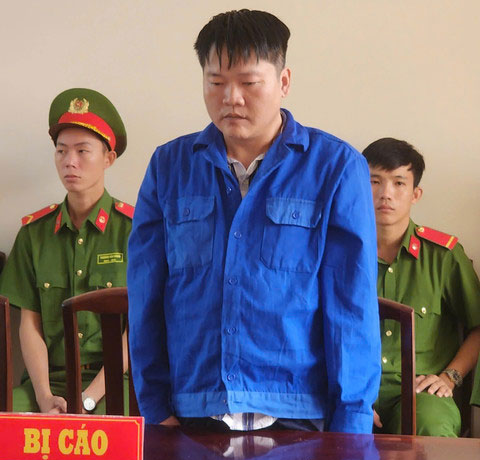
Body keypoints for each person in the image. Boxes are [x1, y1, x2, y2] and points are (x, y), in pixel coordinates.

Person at [128, 9, 380, 433]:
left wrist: (350, 428)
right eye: (216, 83)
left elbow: (351, 308)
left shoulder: (335, 168)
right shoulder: (169, 167)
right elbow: (146, 295)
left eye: (248, 83)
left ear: (283, 82)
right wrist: (154, 409)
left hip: (299, 413)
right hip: (191, 411)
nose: (231, 98)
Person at [0, 88, 134, 414]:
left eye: (82, 151)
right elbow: (29, 326)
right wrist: (44, 397)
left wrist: (87, 399)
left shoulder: (134, 231)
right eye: (61, 151)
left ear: (108, 158)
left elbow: (139, 330)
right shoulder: (34, 234)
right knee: (10, 422)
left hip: (115, 382)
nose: (69, 161)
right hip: (49, 382)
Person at [363, 137, 480, 437]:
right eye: (375, 181)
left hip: (421, 391)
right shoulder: (339, 253)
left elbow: (478, 326)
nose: (386, 194)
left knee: (430, 426)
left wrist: (450, 377)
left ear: (416, 194)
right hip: (355, 386)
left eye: (398, 183)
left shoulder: (443, 256)